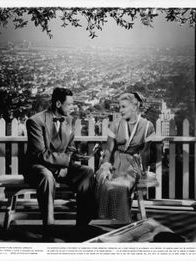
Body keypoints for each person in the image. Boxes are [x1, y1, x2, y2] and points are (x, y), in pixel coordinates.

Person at [23, 87, 96, 231]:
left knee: (87, 172)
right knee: (47, 176)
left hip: (61, 165)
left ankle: (82, 224)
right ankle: (49, 225)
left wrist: (64, 166)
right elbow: (41, 154)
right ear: (57, 104)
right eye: (69, 104)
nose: (72, 108)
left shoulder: (69, 120)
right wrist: (63, 165)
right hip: (38, 167)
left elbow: (71, 147)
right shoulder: (35, 121)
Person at [95, 92, 156, 223]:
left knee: (123, 186)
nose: (120, 110)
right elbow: (109, 149)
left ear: (134, 107)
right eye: (119, 107)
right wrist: (105, 166)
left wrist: (144, 171)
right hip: (114, 161)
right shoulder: (115, 124)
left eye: (123, 107)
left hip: (132, 164)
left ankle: (122, 221)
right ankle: (104, 218)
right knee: (104, 182)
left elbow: (145, 152)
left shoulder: (147, 127)